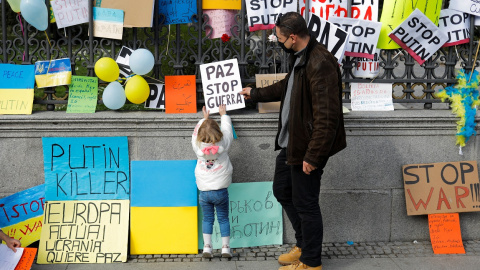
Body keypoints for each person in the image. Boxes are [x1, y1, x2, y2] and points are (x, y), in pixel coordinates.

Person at [239, 12, 346, 270]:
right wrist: (254, 93)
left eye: (279, 37)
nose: (277, 41)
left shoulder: (320, 63)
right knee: (282, 191)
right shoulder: (301, 58)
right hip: (291, 143)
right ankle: (303, 244)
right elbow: (286, 87)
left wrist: (314, 156)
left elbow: (327, 117)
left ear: (293, 37)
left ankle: (311, 261)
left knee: (306, 203)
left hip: (306, 147)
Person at [192, 104, 234, 258]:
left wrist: (203, 119)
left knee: (207, 219)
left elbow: (195, 134)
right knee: (223, 218)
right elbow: (228, 132)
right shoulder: (224, 143)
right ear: (219, 133)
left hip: (204, 192)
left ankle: (207, 248)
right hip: (221, 191)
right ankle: (225, 248)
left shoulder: (197, 146)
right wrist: (223, 115)